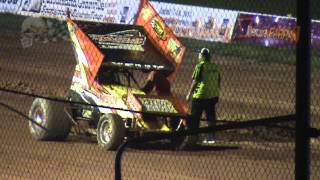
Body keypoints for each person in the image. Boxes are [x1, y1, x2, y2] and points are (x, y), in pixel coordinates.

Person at [186, 48, 220, 144]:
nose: (198, 56)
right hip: (213, 96)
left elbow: (195, 81)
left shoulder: (200, 66)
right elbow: (218, 80)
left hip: (200, 95)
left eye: (199, 54)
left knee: (195, 116)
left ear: (203, 56)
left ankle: (194, 136)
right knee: (210, 116)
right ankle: (211, 137)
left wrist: (189, 93)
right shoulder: (214, 66)